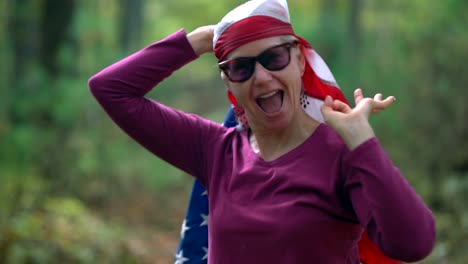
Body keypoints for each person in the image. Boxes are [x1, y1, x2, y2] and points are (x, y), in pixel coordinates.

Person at [89, 0, 436, 263]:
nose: (262, 77)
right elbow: (110, 89)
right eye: (240, 67)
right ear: (227, 80)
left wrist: (363, 141)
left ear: (300, 59)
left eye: (274, 58)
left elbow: (414, 243)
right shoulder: (215, 150)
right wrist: (199, 40)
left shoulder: (342, 155)